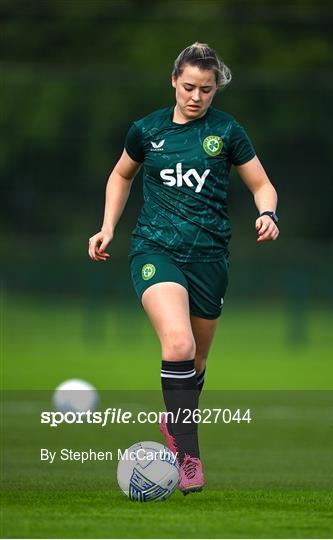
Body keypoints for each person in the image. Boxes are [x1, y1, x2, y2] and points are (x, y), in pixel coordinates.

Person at [88, 42, 279, 495]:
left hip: (210, 259)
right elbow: (121, 174)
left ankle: (175, 424)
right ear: (174, 80)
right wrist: (107, 226)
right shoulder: (147, 131)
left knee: (196, 362)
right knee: (177, 342)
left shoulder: (227, 132)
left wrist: (267, 213)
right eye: (189, 87)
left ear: (216, 90)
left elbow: (262, 185)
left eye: (206, 90)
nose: (196, 97)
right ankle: (189, 457)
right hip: (155, 251)